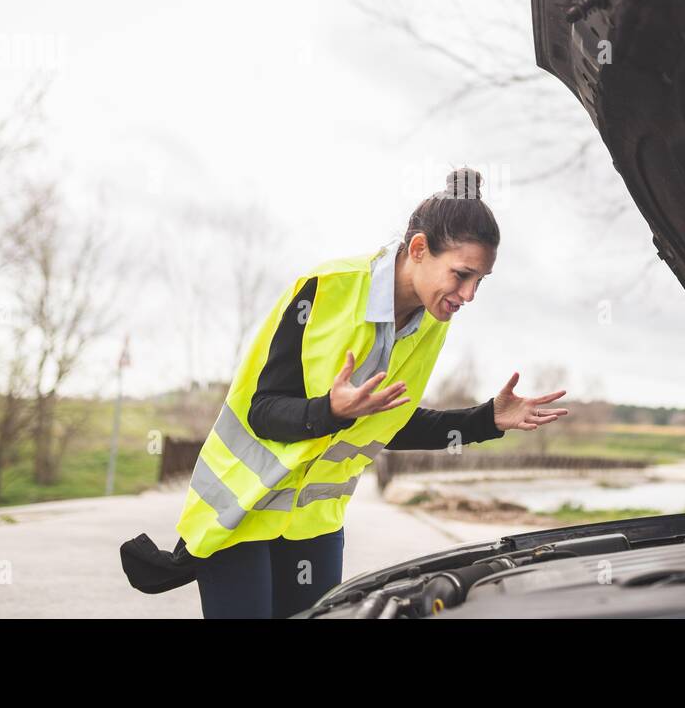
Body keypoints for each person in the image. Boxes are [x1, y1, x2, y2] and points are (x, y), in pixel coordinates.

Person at [174, 166, 569, 618]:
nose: (469, 295)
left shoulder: (431, 324)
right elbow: (263, 412)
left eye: (479, 281)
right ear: (419, 249)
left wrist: (485, 420)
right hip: (240, 510)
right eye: (461, 275)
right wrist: (330, 412)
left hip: (313, 524)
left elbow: (387, 424)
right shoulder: (327, 289)